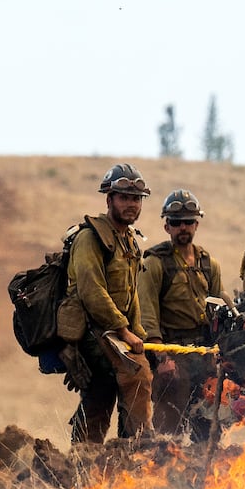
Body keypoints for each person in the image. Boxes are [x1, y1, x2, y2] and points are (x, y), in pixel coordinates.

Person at [64, 162, 153, 444]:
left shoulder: (129, 240)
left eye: (136, 199)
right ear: (109, 199)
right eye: (124, 198)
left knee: (102, 394)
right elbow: (92, 291)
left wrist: (138, 333)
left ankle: (108, 459)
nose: (131, 205)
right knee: (136, 375)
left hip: (116, 333)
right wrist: (124, 331)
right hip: (93, 332)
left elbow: (131, 294)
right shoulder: (90, 238)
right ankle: (136, 448)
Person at [139, 189, 227, 439]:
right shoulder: (155, 263)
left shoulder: (209, 264)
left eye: (188, 221)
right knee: (170, 433)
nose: (183, 227)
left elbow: (221, 304)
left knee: (208, 431)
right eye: (176, 223)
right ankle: (166, 471)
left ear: (197, 224)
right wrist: (161, 359)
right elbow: (147, 314)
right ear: (167, 226)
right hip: (171, 354)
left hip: (203, 353)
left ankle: (203, 475)